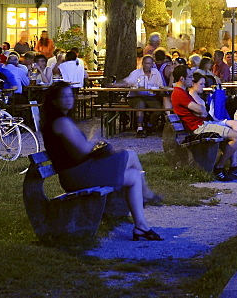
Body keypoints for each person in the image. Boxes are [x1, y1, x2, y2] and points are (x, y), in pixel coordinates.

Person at [40, 81, 163, 240]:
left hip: (77, 172)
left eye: (70, 95)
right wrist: (94, 137)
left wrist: (93, 142)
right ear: (54, 101)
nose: (68, 99)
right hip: (78, 175)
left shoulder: (59, 120)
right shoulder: (61, 122)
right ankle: (147, 194)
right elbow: (84, 149)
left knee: (134, 176)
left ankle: (141, 226)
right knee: (131, 155)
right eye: (63, 96)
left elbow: (77, 153)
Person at [171, 68, 237, 180]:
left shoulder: (182, 92)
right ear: (182, 79)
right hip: (199, 127)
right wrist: (200, 109)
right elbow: (201, 110)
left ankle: (233, 167)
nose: (192, 79)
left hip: (202, 124)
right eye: (189, 76)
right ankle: (220, 167)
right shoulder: (179, 93)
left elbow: (201, 111)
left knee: (236, 132)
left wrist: (200, 110)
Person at [121, 55, 165, 137]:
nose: (147, 65)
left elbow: (160, 86)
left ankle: (149, 125)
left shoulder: (156, 73)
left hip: (150, 96)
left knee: (158, 109)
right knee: (140, 104)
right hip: (135, 96)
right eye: (145, 63)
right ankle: (140, 128)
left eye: (149, 63)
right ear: (142, 63)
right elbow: (127, 81)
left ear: (152, 64)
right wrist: (115, 84)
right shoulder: (136, 73)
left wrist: (160, 91)